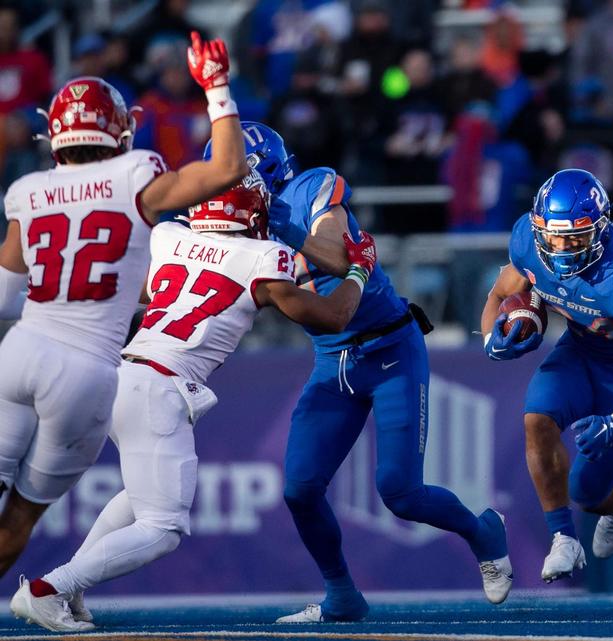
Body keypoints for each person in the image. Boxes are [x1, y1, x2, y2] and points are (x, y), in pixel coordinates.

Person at [9, 176, 377, 632]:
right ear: (253, 214)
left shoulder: (169, 237)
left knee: (139, 496)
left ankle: (71, 588)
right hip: (159, 388)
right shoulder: (266, 257)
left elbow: (162, 289)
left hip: (123, 376)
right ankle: (47, 589)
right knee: (163, 527)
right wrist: (360, 271)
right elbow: (332, 316)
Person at [212, 122, 510, 622]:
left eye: (231, 174)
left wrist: (278, 226)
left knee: (400, 492)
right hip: (333, 361)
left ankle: (484, 533)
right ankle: (342, 595)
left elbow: (334, 257)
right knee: (299, 489)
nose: (222, 187)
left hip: (390, 348)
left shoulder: (311, 189)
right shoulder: (233, 221)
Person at [0, 32, 246, 584]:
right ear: (120, 128)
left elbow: (3, 294)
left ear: (54, 130)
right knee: (19, 515)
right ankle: (52, 589)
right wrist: (216, 86)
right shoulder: (135, 175)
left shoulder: (29, 189)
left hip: (20, 350)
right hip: (85, 368)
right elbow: (228, 169)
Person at [481, 169, 613, 582]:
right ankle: (563, 540)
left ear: (601, 230)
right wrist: (489, 338)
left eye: (575, 237)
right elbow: (500, 293)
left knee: (587, 493)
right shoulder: (526, 242)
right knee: (537, 420)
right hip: (579, 350)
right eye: (553, 236)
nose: (563, 247)